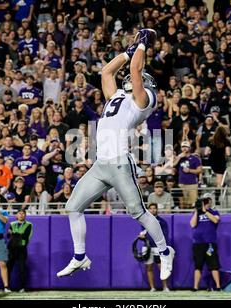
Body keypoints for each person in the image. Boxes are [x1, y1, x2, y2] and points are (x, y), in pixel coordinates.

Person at [57, 29, 175, 280]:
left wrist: (141, 46)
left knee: (138, 211)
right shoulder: (119, 97)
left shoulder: (144, 100)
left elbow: (134, 72)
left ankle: (165, 251)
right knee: (73, 207)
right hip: (101, 164)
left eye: (139, 78)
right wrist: (127, 52)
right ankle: (80, 256)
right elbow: (106, 72)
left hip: (121, 161)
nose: (133, 80)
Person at [190, 193, 221, 292]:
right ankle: (195, 287)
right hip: (198, 243)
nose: (206, 203)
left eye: (208, 201)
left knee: (213, 265)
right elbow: (192, 224)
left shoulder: (214, 212)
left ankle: (218, 286)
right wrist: (197, 211)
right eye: (205, 201)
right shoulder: (197, 213)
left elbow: (216, 221)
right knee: (198, 266)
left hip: (210, 243)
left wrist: (205, 211)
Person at [138, 203, 170, 292]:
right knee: (149, 267)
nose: (153, 210)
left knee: (162, 267)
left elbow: (165, 235)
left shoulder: (162, 222)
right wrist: (141, 237)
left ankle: (165, 287)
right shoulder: (144, 222)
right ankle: (152, 287)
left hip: (158, 247)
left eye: (154, 208)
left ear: (157, 209)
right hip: (148, 247)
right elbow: (143, 234)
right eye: (151, 208)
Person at [7, 209, 33, 292]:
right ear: (16, 215)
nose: (21, 215)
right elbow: (8, 235)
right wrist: (17, 235)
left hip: (22, 248)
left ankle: (22, 287)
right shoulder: (12, 224)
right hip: (12, 248)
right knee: (8, 267)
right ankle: (6, 287)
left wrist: (13, 234)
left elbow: (25, 236)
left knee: (22, 268)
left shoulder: (29, 225)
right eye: (19, 213)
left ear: (25, 215)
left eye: (23, 213)